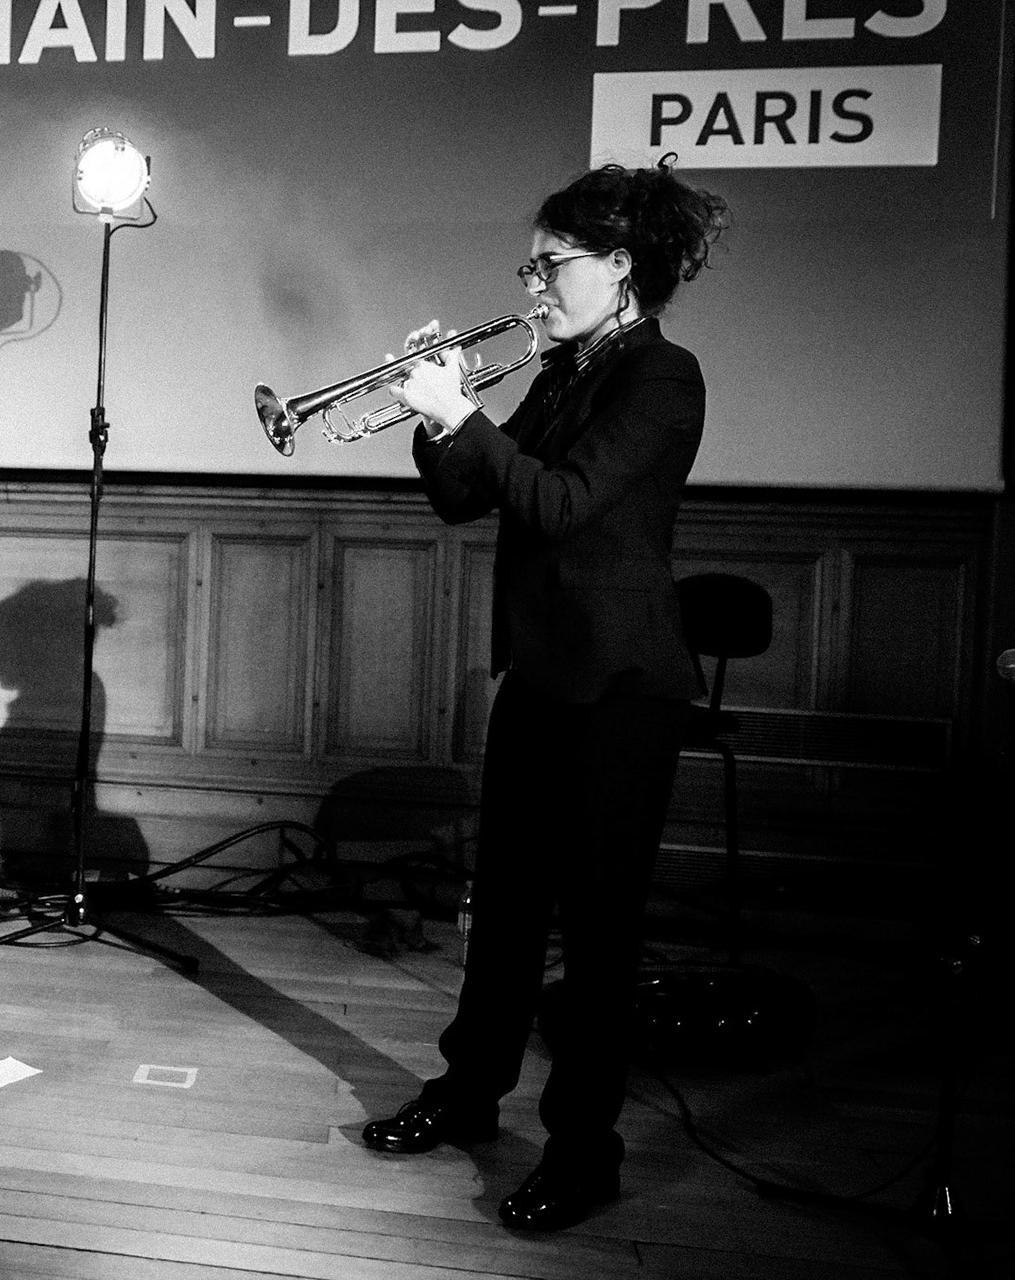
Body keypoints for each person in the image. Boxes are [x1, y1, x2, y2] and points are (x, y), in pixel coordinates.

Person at [362, 161, 730, 1231]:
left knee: (600, 928)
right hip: (542, 668)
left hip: (622, 684)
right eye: (532, 261)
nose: (533, 282)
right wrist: (432, 416)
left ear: (620, 267)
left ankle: (585, 1147)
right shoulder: (566, 366)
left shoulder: (662, 378)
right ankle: (471, 1089)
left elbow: (562, 503)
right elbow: (468, 497)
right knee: (509, 904)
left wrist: (463, 410)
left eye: (551, 263)